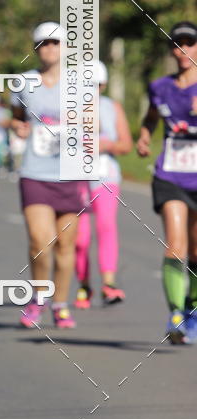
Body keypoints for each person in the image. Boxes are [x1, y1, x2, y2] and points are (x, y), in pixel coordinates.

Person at [10, 22, 88, 330]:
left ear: (65, 47)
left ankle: (61, 304)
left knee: (66, 245)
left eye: (55, 43)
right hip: (35, 171)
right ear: (36, 49)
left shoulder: (79, 84)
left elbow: (91, 121)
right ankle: (39, 297)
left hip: (70, 173)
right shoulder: (24, 83)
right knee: (40, 241)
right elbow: (16, 117)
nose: (50, 48)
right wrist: (18, 126)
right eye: (43, 44)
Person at [137, 20, 197, 344]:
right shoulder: (160, 86)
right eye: (177, 44)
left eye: (189, 42)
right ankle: (175, 314)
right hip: (170, 174)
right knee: (176, 243)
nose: (183, 49)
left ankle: (192, 309)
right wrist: (145, 135)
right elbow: (150, 116)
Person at [74, 61, 132, 308]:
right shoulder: (70, 109)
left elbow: (126, 144)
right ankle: (84, 285)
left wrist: (105, 145)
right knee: (81, 237)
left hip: (106, 177)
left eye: (96, 85)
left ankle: (109, 284)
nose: (91, 89)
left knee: (106, 226)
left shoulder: (112, 107)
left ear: (103, 85)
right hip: (77, 179)